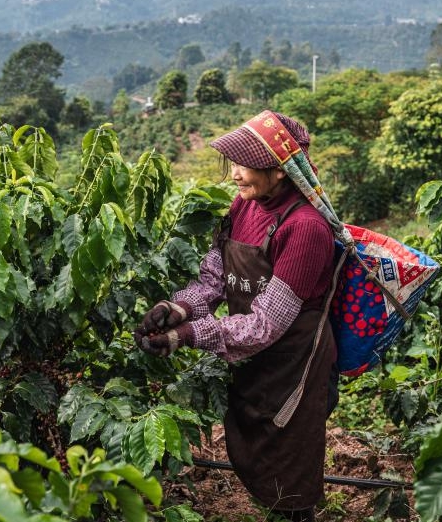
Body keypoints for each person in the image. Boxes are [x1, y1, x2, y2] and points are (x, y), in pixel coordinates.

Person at [134, 110, 338, 522]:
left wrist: (187, 335)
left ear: (279, 170)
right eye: (234, 164)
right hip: (253, 352)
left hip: (293, 358)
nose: (235, 175)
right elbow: (213, 277)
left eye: (244, 166)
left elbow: (267, 323)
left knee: (291, 461)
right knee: (257, 447)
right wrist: (176, 309)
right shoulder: (244, 206)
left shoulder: (306, 228)